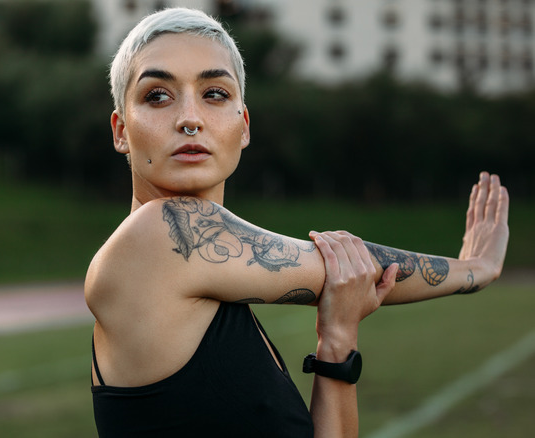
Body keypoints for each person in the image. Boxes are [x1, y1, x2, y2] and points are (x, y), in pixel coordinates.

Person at [84, 7, 509, 437]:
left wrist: (338, 341)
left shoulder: (217, 284)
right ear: (121, 131)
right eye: (158, 95)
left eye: (214, 93)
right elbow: (346, 265)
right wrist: (475, 267)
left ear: (244, 126)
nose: (189, 118)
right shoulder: (156, 235)